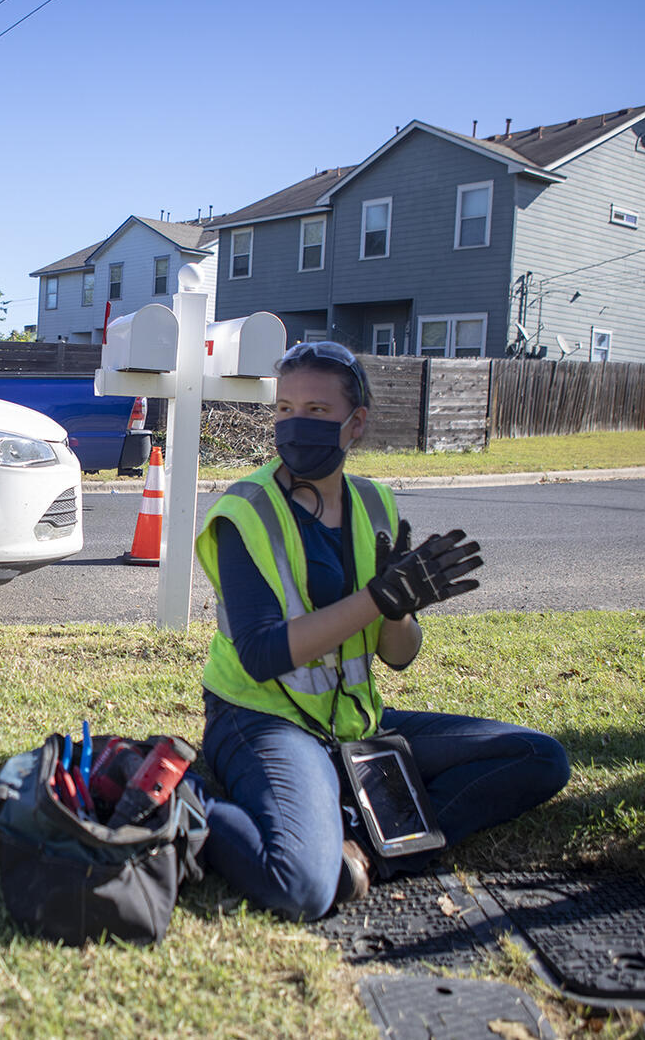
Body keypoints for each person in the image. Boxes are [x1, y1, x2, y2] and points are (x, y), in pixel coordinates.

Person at [194, 341, 569, 920]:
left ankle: (366, 846)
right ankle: (187, 803)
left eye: (317, 412)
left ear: (356, 423)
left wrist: (398, 609)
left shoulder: (376, 504)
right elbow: (263, 654)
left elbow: (400, 655)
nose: (296, 424)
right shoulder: (245, 509)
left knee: (538, 757)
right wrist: (375, 599)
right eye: (285, 409)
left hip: (354, 723)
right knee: (302, 889)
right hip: (259, 719)